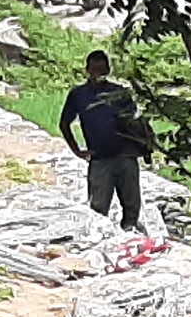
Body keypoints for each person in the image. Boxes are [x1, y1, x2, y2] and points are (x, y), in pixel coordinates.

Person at [57, 51, 154, 234]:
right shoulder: (79, 95)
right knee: (98, 209)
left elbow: (136, 121)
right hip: (100, 158)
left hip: (125, 155)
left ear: (108, 70)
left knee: (132, 204)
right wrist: (77, 151)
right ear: (87, 70)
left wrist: (144, 146)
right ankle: (101, 240)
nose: (98, 74)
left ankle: (130, 235)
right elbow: (64, 123)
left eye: (102, 70)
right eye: (94, 70)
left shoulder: (119, 93)